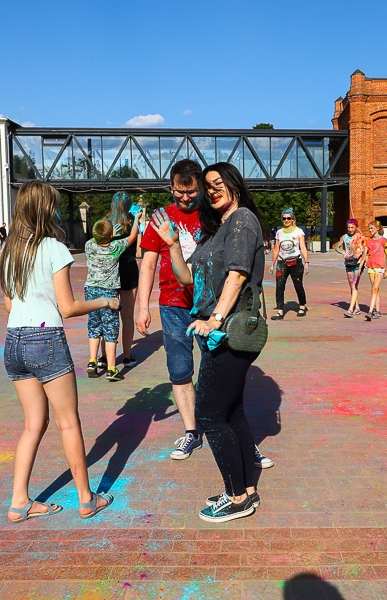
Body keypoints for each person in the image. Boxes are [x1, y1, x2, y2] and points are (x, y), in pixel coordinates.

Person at [149, 162, 267, 523]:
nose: (212, 191)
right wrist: (171, 245)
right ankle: (245, 490)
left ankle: (235, 498)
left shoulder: (243, 219)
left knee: (210, 415)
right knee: (231, 412)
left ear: (234, 184)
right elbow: (187, 278)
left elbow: (238, 274)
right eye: (209, 186)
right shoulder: (216, 229)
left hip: (231, 329)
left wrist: (214, 318)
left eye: (219, 184)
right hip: (218, 331)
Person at [0, 181, 118, 523]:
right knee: (68, 423)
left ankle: (19, 502)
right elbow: (67, 308)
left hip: (14, 341)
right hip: (45, 338)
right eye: (53, 206)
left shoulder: (9, 250)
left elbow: (9, 303)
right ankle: (86, 499)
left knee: (32, 425)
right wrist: (105, 301)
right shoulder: (53, 247)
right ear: (45, 210)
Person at [137, 158, 205, 460]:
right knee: (180, 371)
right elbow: (148, 263)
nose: (186, 198)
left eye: (191, 192)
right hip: (172, 305)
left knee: (218, 366)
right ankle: (191, 431)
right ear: (171, 187)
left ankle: (222, 425)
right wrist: (142, 307)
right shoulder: (161, 218)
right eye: (180, 192)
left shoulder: (213, 213)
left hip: (207, 305)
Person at [84, 216, 140, 382]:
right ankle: (111, 369)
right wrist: (136, 219)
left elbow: (99, 237)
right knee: (110, 329)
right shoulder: (116, 246)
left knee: (94, 325)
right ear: (110, 236)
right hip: (109, 293)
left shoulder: (89, 245)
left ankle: (92, 361)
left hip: (91, 290)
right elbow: (132, 237)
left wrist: (109, 234)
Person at [107, 192, 140, 368]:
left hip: (109, 272)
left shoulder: (105, 222)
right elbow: (137, 244)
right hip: (128, 269)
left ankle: (105, 357)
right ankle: (127, 356)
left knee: (107, 315)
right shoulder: (132, 221)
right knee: (127, 317)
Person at [269, 208, 309, 320]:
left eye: (288, 218)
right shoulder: (279, 233)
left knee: (298, 285)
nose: (286, 220)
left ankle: (302, 306)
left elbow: (303, 247)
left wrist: (306, 262)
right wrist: (272, 264)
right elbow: (276, 249)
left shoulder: (299, 231)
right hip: (282, 262)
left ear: (293, 219)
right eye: (284, 218)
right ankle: (280, 311)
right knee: (279, 286)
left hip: (296, 261)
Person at [334, 218, 365, 317]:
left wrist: (360, 252)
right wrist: (343, 253)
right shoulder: (344, 237)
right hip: (348, 263)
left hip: (357, 263)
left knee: (354, 285)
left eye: (352, 227)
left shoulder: (360, 237)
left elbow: (365, 248)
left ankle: (350, 310)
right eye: (348, 227)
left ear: (356, 227)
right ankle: (357, 308)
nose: (350, 229)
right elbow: (337, 247)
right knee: (352, 286)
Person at [363, 220, 387, 320]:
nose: (370, 230)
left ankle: (370, 312)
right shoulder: (368, 240)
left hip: (380, 268)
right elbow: (365, 254)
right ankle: (377, 311)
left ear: (377, 228)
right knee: (375, 290)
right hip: (371, 267)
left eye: (372, 228)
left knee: (374, 288)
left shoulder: (384, 240)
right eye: (369, 228)